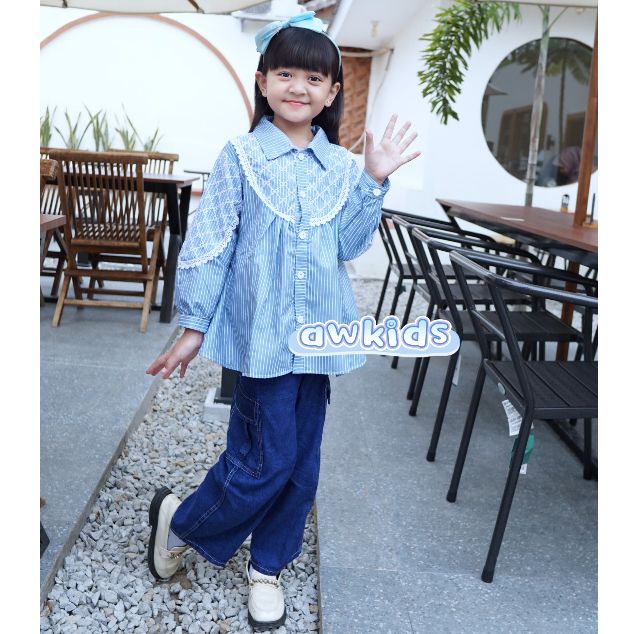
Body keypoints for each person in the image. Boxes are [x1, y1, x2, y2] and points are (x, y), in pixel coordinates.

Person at [145, 11, 421, 631]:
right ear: (263, 81)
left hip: (318, 343)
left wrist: (374, 179)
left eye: (315, 78)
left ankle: (267, 566)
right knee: (265, 460)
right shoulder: (241, 157)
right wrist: (194, 326)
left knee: (301, 467)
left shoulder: (341, 167)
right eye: (287, 73)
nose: (300, 87)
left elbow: (348, 245)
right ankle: (182, 524)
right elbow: (210, 244)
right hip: (263, 342)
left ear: (332, 91)